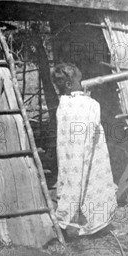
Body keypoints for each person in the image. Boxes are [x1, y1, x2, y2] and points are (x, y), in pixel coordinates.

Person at [51, 63, 117, 236]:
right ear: (68, 85)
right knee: (90, 179)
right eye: (78, 81)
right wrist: (87, 99)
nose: (81, 84)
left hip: (71, 154)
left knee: (71, 179)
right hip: (87, 151)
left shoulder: (63, 104)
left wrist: (83, 97)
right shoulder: (87, 104)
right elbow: (92, 114)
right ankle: (94, 222)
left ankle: (72, 220)